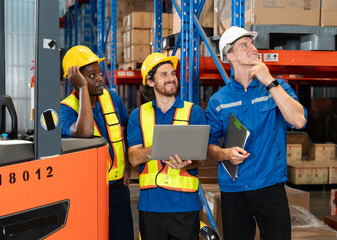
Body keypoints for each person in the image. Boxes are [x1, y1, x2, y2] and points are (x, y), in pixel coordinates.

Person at [205, 26, 307, 240]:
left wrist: (269, 81)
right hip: (234, 190)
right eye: (244, 45)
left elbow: (298, 120)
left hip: (269, 185)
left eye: (252, 43)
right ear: (230, 56)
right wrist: (225, 154)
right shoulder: (218, 101)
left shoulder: (278, 88)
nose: (253, 48)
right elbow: (209, 147)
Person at [127, 52, 207, 240]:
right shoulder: (138, 115)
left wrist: (186, 163)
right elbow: (133, 158)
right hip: (151, 207)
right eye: (164, 74)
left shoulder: (193, 112)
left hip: (186, 206)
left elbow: (200, 159)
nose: (171, 78)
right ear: (150, 81)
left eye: (173, 73)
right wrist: (158, 148)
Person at [60, 45, 134, 240]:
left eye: (99, 73)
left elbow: (124, 129)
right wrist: (83, 88)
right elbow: (84, 131)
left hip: (119, 191)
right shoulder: (66, 109)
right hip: (89, 193)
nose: (100, 78)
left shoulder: (112, 98)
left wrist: (125, 163)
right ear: (76, 80)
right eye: (92, 75)